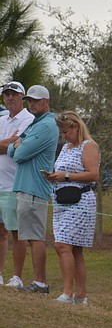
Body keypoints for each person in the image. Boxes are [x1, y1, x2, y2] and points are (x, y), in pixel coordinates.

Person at [44, 112, 100, 304]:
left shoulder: (89, 145)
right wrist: (54, 176)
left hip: (80, 201)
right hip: (62, 202)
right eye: (62, 132)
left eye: (66, 131)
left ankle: (68, 292)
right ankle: (80, 295)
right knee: (72, 249)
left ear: (76, 127)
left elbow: (93, 174)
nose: (64, 136)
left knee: (63, 245)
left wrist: (66, 176)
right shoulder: (66, 147)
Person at [8, 85, 59, 293]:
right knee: (29, 235)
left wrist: (19, 144)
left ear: (47, 101)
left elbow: (19, 153)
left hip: (34, 188)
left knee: (35, 236)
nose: (32, 104)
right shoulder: (36, 124)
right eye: (30, 100)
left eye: (36, 100)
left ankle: (39, 283)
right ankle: (38, 282)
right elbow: (13, 149)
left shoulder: (46, 125)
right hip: (25, 186)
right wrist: (17, 145)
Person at [0, 81, 33, 288]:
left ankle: (17, 277)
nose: (10, 98)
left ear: (22, 97)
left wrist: (9, 144)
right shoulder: (2, 119)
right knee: (0, 231)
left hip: (14, 184)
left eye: (13, 94)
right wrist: (7, 144)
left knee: (16, 231)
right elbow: (7, 144)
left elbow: (16, 144)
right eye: (6, 95)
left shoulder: (29, 119)